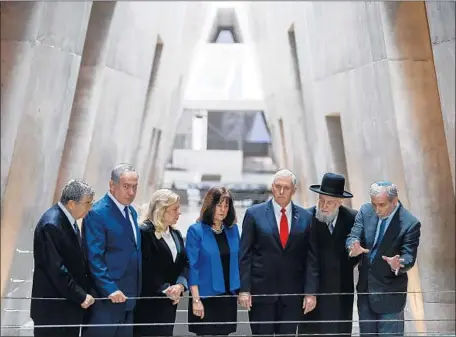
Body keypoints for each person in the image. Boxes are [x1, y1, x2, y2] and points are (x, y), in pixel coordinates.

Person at [239, 169, 318, 336]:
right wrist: (244, 289)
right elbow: (245, 254)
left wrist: (310, 292)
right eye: (277, 186)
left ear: (294, 190)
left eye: (286, 188)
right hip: (261, 293)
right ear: (272, 187)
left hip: (292, 295)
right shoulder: (254, 214)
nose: (281, 192)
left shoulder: (306, 217)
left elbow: (311, 258)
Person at [346, 181, 421, 336]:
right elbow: (353, 235)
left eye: (382, 205)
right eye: (374, 204)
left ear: (394, 201)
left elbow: (409, 256)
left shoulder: (410, 223)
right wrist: (352, 246)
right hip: (365, 292)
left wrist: (398, 264)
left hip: (390, 295)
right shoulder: (366, 211)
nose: (377, 210)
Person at [82, 164, 141, 337]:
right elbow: (94, 257)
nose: (131, 192)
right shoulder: (97, 213)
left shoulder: (132, 212)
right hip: (107, 299)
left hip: (130, 298)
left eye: (134, 187)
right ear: (111, 185)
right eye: (126, 186)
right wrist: (110, 289)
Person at [30, 179, 95, 337]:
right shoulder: (51, 224)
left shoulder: (67, 221)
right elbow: (56, 270)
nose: (90, 208)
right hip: (54, 311)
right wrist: (80, 295)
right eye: (87, 203)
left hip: (67, 308)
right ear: (72, 203)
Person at [302, 172, 360, 336]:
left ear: (340, 202)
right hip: (313, 292)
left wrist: (354, 254)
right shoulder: (306, 218)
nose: (324, 206)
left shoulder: (353, 219)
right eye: (321, 201)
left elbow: (357, 254)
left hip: (341, 291)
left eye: (330, 202)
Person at [186, 187, 240, 336]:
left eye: (226, 206)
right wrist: (196, 300)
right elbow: (192, 267)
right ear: (210, 205)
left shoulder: (233, 230)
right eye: (219, 205)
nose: (223, 210)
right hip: (205, 299)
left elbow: (239, 262)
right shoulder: (195, 231)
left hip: (228, 298)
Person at [134, 189, 188, 336]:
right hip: (150, 302)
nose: (179, 213)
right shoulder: (144, 232)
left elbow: (184, 263)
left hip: (170, 302)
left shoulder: (176, 234)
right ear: (161, 210)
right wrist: (166, 289)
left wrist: (180, 285)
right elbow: (144, 267)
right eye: (175, 209)